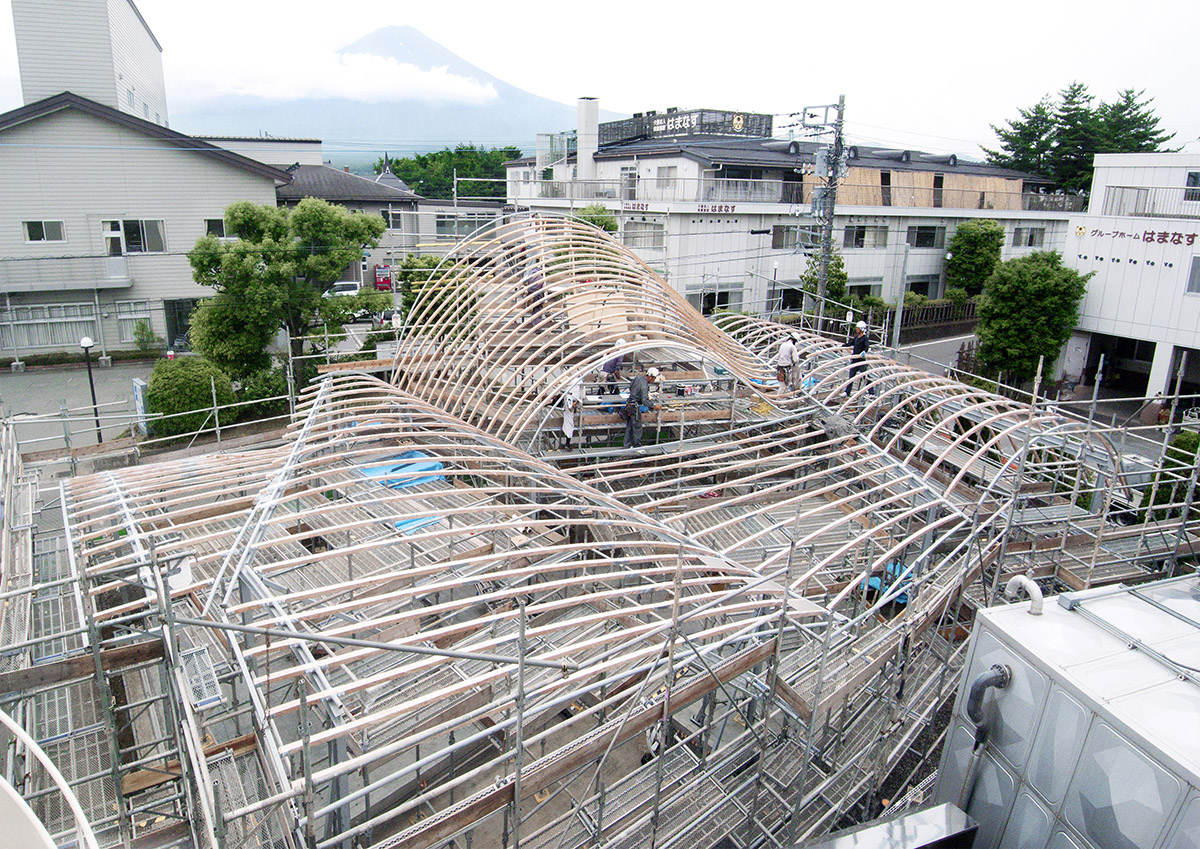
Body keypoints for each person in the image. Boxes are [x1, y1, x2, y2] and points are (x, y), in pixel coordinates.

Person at [623, 366, 661, 449]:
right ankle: (637, 446)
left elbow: (631, 388)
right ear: (650, 376)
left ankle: (626, 445)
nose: (653, 381)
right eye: (653, 379)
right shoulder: (644, 385)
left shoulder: (638, 378)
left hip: (629, 405)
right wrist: (654, 406)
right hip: (634, 408)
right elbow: (644, 400)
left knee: (629, 427)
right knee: (637, 427)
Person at [845, 320, 869, 397]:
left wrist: (864, 352)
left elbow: (867, 346)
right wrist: (843, 346)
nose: (856, 329)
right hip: (855, 360)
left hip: (860, 361)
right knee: (851, 377)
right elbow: (850, 343)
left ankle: (871, 392)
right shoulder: (856, 337)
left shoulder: (864, 338)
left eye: (858, 328)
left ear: (861, 329)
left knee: (866, 376)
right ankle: (847, 392)